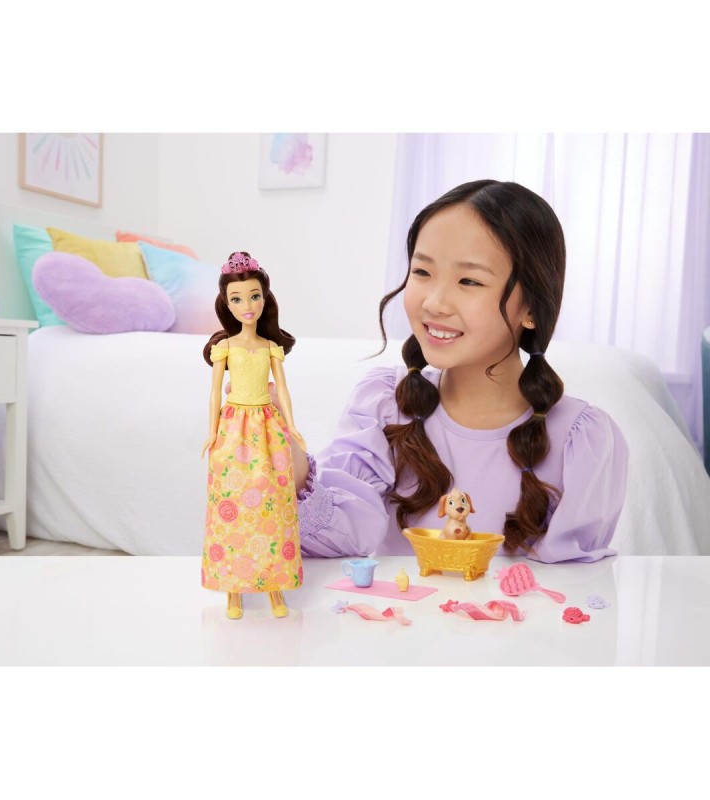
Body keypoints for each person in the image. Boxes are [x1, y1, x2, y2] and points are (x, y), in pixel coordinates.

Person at [289, 179, 628, 563]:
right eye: (422, 272)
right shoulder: (383, 406)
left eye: (469, 280)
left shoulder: (580, 440)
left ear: (532, 308)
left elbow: (573, 583)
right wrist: (295, 473)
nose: (434, 303)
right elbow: (343, 539)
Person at [201, 251, 305, 619]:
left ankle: (275, 587)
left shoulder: (270, 347)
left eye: (254, 296)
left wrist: (292, 425)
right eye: (237, 299)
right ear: (227, 304)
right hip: (233, 428)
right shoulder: (225, 348)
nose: (247, 306)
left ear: (265, 298)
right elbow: (215, 393)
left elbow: (284, 389)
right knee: (231, 508)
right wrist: (211, 432)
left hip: (268, 426)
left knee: (272, 505)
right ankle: (233, 590)